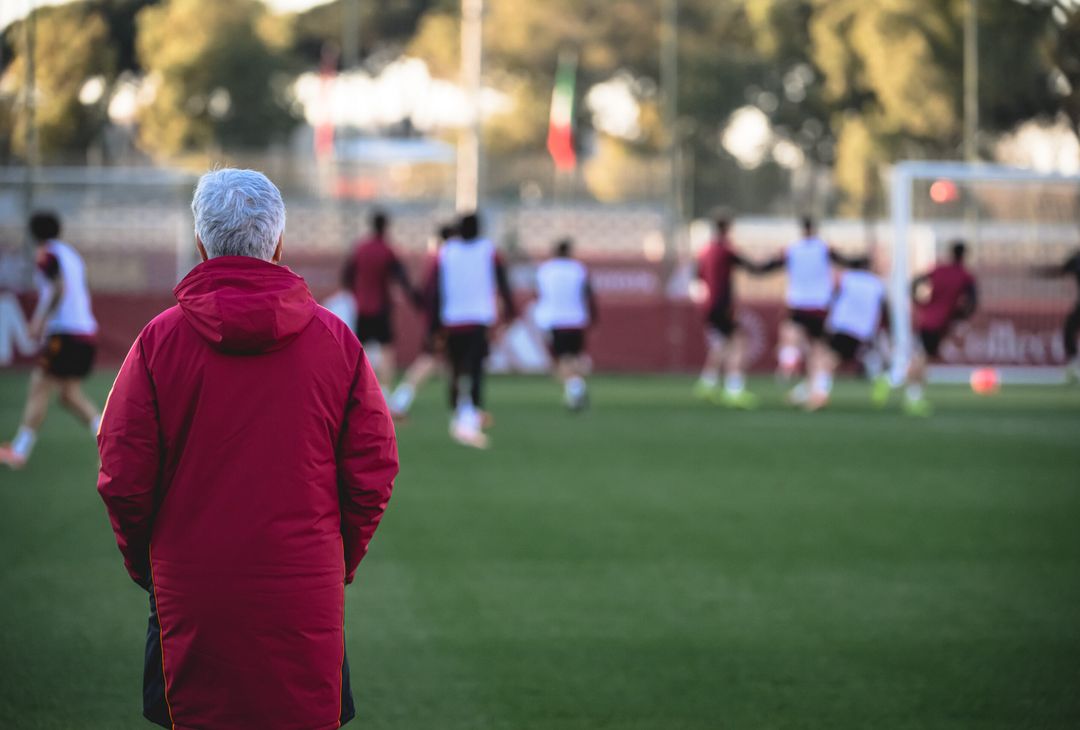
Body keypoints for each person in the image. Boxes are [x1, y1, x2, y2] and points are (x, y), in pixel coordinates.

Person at [96, 169, 399, 730]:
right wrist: (337, 561)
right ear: (279, 244)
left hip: (189, 592)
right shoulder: (337, 344)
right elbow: (374, 472)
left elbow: (122, 475)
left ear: (201, 244)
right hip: (304, 592)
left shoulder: (158, 342)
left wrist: (149, 566)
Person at [0, 212, 102, 470]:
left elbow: (58, 288)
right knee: (68, 395)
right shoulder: (71, 255)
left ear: (33, 233)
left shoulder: (47, 254)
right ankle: (109, 439)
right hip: (85, 332)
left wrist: (39, 321)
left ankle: (19, 451)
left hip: (65, 333)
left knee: (39, 384)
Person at [758, 216, 867, 403]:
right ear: (815, 230)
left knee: (790, 334)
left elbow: (769, 266)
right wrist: (862, 260)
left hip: (799, 303)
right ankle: (817, 387)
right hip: (819, 305)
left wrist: (755, 266)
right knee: (818, 350)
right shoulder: (823, 248)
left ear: (802, 230)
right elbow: (844, 260)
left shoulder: (792, 249)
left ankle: (790, 360)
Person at [430, 211, 516, 448]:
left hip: (452, 319)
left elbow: (436, 289)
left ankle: (460, 414)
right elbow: (502, 281)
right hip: (479, 319)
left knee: (456, 369)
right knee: (476, 368)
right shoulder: (488, 251)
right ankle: (470, 416)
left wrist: (435, 323)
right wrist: (510, 308)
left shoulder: (446, 252)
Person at [344, 209, 419, 393]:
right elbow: (401, 276)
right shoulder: (387, 250)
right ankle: (384, 392)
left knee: (359, 351)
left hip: (362, 307)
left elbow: (347, 275)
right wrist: (416, 299)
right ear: (385, 227)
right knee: (387, 350)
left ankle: (357, 389)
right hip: (381, 307)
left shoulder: (360, 248)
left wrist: (357, 293)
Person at [387, 222, 455, 418]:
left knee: (450, 364)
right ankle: (399, 401)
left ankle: (465, 410)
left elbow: (422, 294)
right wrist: (437, 322)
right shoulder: (444, 261)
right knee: (430, 361)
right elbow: (433, 295)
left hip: (440, 319)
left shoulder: (436, 261)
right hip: (443, 321)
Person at [691, 213, 759, 409]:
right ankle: (734, 389)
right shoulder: (726, 250)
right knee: (739, 342)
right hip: (722, 304)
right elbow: (751, 266)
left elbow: (697, 276)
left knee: (721, 344)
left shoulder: (705, 251)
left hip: (709, 305)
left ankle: (707, 383)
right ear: (728, 229)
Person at [902, 240, 977, 415]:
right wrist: (961, 316)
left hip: (926, 319)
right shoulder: (965, 275)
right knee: (922, 360)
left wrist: (919, 302)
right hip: (938, 322)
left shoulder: (938, 270)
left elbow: (915, 282)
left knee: (922, 358)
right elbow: (972, 301)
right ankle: (910, 395)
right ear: (965, 255)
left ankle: (906, 389)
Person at [805, 259, 889, 411]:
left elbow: (831, 292)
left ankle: (819, 393)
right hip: (862, 330)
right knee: (829, 358)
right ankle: (811, 391)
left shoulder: (848, 278)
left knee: (825, 359)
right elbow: (883, 308)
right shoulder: (877, 284)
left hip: (843, 325)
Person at [534, 238, 597, 411]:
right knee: (575, 357)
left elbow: (539, 293)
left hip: (555, 319)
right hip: (576, 318)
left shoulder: (545, 270)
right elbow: (588, 294)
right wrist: (593, 317)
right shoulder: (578, 269)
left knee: (562, 359)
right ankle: (576, 388)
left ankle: (574, 390)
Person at [1032, 248, 1080, 382]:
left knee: (1070, 329)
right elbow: (1060, 271)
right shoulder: (1076, 259)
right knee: (1069, 330)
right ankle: (1073, 365)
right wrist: (1040, 272)